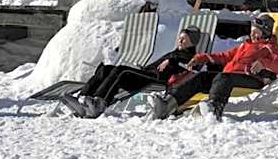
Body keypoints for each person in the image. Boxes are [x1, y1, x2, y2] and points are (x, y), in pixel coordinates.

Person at [148, 14, 278, 121]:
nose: (252, 34)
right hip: (228, 78)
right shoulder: (245, 45)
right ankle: (168, 104)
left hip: (252, 78)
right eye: (252, 31)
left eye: (256, 32)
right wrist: (204, 57)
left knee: (223, 77)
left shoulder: (270, 47)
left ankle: (214, 108)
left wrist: (264, 63)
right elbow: (225, 56)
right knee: (202, 77)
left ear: (265, 32)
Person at [60, 26, 203, 118]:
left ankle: (100, 103)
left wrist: (171, 62)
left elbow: (192, 70)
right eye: (180, 37)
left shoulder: (190, 56)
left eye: (184, 39)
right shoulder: (176, 52)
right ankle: (83, 98)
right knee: (106, 68)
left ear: (192, 42)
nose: (180, 40)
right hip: (146, 74)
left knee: (122, 71)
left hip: (156, 80)